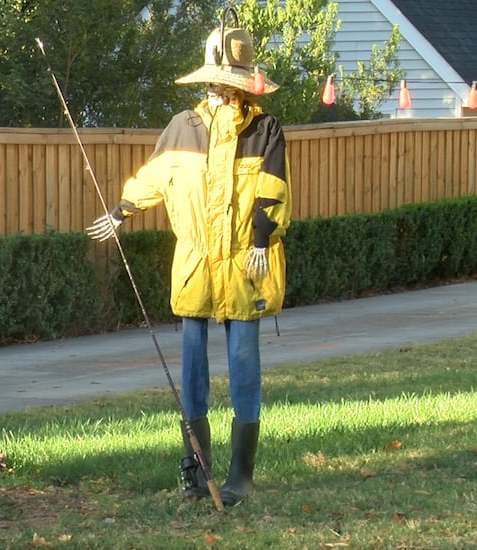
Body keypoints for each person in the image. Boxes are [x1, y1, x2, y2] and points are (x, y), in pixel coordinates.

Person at [86, 23, 291, 507]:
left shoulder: (264, 130)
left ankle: (241, 476)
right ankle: (197, 473)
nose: (222, 90)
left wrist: (263, 236)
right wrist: (122, 209)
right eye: (217, 81)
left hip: (245, 262)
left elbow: (275, 189)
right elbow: (155, 177)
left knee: (244, 368)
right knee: (192, 369)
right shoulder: (182, 128)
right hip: (196, 263)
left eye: (229, 81)